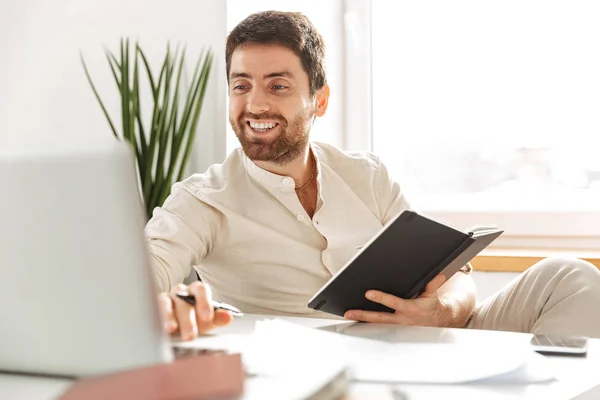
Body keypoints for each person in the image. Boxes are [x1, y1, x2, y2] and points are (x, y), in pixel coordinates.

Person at [146, 10, 600, 341]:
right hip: (316, 367)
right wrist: (163, 304)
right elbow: (145, 272)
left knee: (568, 275)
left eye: (278, 86)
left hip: (424, 342)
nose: (256, 104)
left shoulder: (366, 175)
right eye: (241, 85)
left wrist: (442, 311)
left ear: (319, 101)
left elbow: (455, 271)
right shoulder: (201, 200)